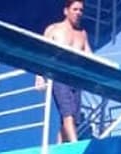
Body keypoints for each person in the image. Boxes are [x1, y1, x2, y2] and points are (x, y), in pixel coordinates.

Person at [37, 0, 91, 143]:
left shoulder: (82, 34)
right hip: (59, 75)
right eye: (75, 9)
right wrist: (39, 76)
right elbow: (41, 53)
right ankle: (75, 145)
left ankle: (59, 148)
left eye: (81, 10)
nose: (78, 13)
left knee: (72, 119)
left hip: (76, 79)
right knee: (68, 114)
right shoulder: (53, 29)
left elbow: (90, 57)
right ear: (66, 11)